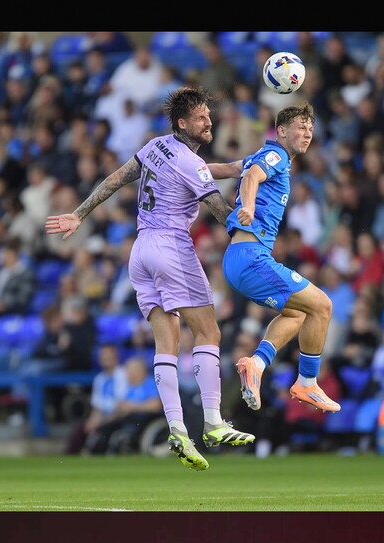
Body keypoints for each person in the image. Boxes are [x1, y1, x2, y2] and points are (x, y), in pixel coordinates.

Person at [46, 87, 255, 471]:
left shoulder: (157, 146)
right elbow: (217, 206)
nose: (210, 121)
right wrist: (249, 233)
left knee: (167, 344)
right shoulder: (191, 166)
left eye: (209, 115)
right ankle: (212, 423)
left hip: (140, 253)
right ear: (183, 123)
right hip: (171, 247)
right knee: (208, 334)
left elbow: (115, 179)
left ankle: (177, 428)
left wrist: (79, 214)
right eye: (202, 117)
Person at [213, 102, 341, 415]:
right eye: (301, 127)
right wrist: (250, 207)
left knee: (298, 315)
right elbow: (251, 177)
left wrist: (188, 170)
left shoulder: (263, 155)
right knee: (323, 306)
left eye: (310, 128)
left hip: (239, 259)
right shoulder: (277, 156)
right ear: (281, 131)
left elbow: (229, 169)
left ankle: (256, 364)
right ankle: (307, 383)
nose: (307, 133)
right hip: (251, 256)